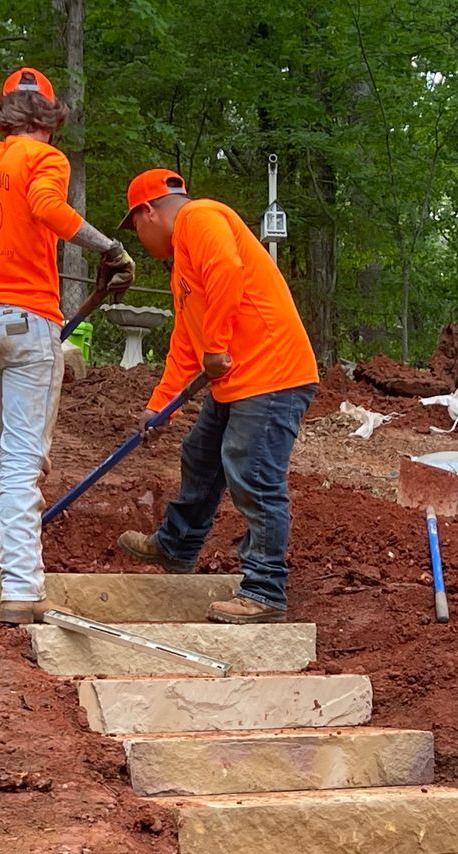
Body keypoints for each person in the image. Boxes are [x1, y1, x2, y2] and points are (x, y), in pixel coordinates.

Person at [0, 67, 134, 623]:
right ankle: (22, 588)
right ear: (50, 118)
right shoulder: (45, 159)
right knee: (23, 457)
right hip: (25, 317)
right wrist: (110, 247)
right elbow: (47, 209)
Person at [115, 170, 319, 624]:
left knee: (253, 473)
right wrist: (160, 403)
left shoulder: (200, 217)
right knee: (202, 454)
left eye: (136, 228)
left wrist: (217, 347)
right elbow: (186, 342)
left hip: (273, 374)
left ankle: (265, 591)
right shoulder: (183, 266)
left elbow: (228, 270)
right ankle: (176, 546)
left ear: (148, 212)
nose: (140, 239)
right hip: (241, 378)